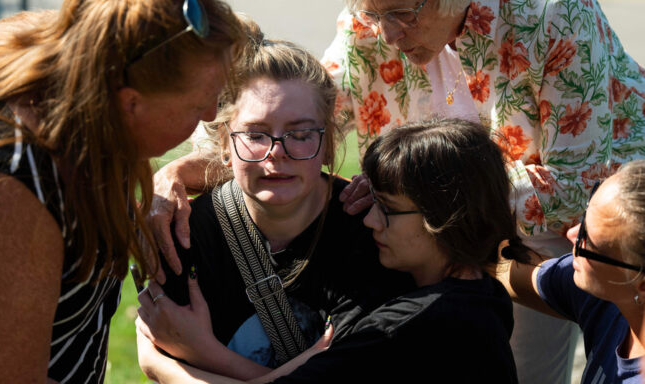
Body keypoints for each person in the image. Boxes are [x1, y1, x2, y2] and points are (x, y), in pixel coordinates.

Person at [0, 0, 245, 381]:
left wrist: (176, 171)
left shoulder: (83, 63)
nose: (209, 114)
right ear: (130, 103)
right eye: (198, 104)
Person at [320, 0, 645, 381]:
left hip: (548, 230)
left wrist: (427, 195)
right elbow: (315, 114)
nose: (387, 34)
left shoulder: (554, 8)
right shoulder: (375, 9)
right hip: (430, 226)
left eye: (403, 14)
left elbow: (576, 185)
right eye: (374, 15)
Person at [137, 118, 528, 383]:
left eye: (387, 208)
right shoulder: (484, 295)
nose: (370, 219)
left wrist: (183, 356)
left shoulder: (409, 325)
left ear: (443, 218)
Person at [134, 33, 412, 380]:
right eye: (255, 135)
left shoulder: (371, 234)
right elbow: (158, 360)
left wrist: (203, 353)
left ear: (328, 143)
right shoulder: (184, 236)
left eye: (300, 134)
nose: (276, 152)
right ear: (224, 143)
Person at [498, 159, 645, 383]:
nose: (572, 234)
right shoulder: (607, 297)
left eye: (589, 240)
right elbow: (508, 271)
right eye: (586, 216)